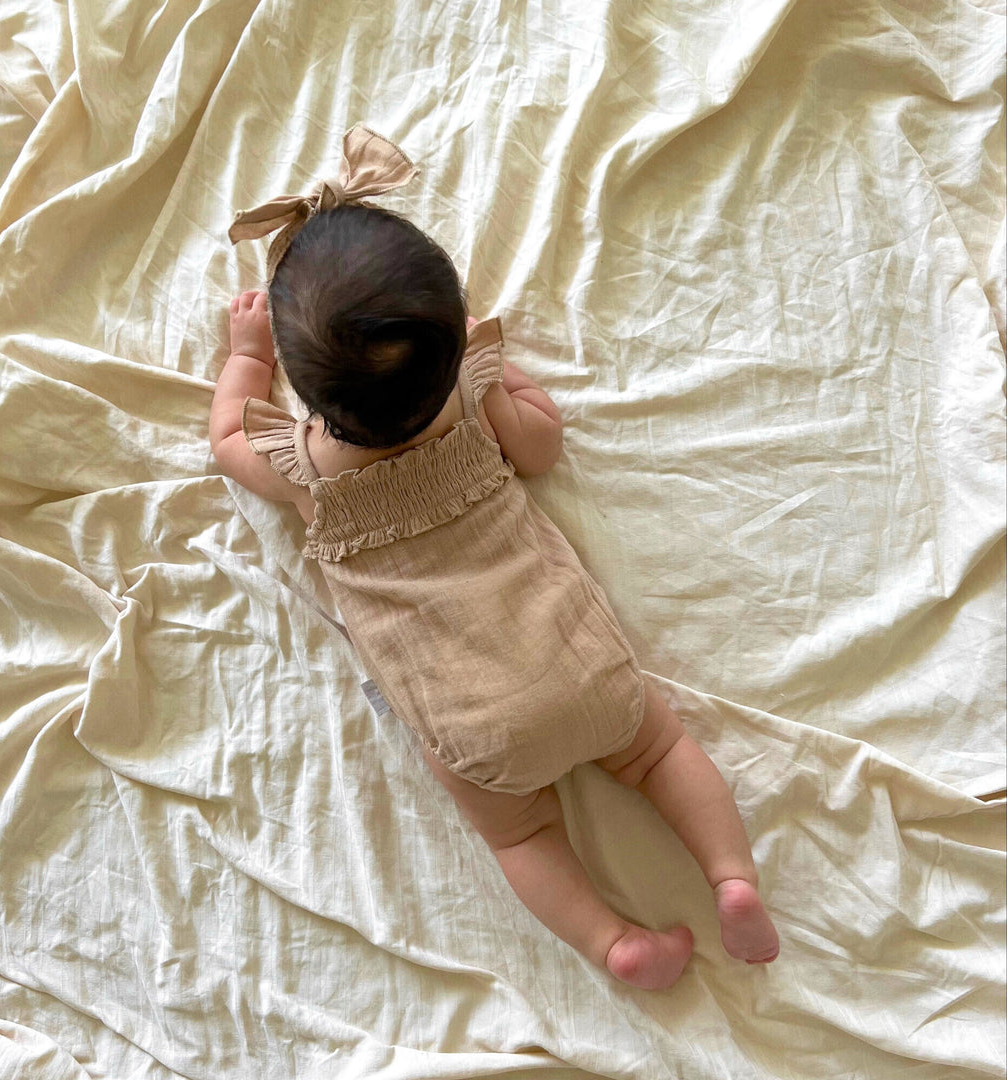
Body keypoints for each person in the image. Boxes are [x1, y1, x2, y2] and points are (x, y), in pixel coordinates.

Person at [210, 127, 779, 989]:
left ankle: (613, 943)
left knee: (522, 835)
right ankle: (731, 877)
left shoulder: (304, 469)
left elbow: (224, 441)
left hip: (469, 722)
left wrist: (245, 357)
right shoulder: (473, 410)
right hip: (576, 659)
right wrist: (503, 375)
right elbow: (544, 449)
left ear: (309, 388)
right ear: (453, 342)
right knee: (658, 754)